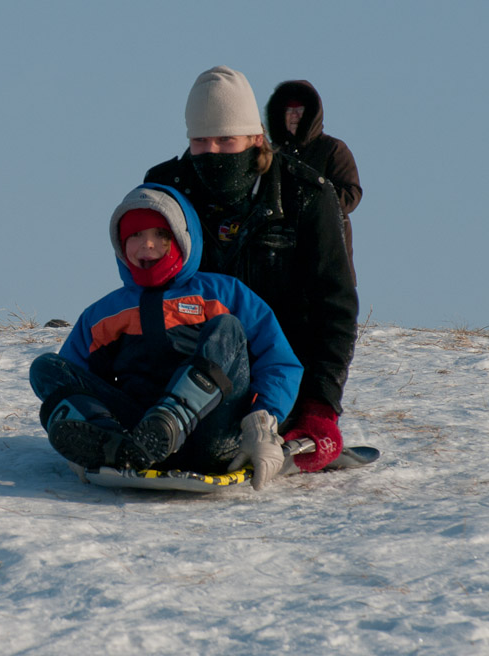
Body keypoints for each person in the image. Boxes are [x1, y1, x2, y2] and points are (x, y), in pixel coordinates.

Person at [143, 66, 359, 472]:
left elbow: (335, 307)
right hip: (181, 369)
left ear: (256, 137)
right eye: (200, 141)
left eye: (227, 139)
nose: (214, 152)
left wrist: (320, 405)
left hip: (278, 382)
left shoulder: (306, 196)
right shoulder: (166, 189)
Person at [29, 183, 303, 490]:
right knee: (48, 368)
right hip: (140, 440)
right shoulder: (103, 313)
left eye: (160, 235)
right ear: (120, 244)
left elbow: (278, 361)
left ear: (183, 239)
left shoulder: (224, 293)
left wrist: (263, 423)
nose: (147, 245)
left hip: (212, 434)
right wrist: (82, 430)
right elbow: (77, 378)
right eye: (134, 235)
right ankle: (108, 442)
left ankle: (170, 421)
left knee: (226, 328)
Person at [265, 79, 362, 284]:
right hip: (280, 257)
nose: (294, 116)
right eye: (288, 110)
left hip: (327, 252)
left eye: (300, 110)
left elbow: (351, 194)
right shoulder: (271, 155)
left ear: (311, 114)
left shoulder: (333, 149)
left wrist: (312, 198)